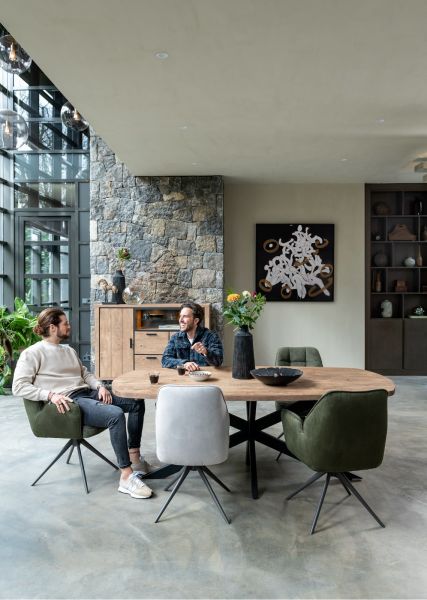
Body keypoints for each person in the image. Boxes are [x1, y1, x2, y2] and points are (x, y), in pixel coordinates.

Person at [12, 307, 152, 499]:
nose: (69, 326)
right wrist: (50, 395)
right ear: (53, 328)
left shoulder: (68, 350)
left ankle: (134, 457)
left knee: (136, 402)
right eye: (65, 323)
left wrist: (100, 387)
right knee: (115, 415)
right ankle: (126, 477)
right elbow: (18, 387)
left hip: (88, 393)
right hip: (71, 403)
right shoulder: (33, 353)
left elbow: (85, 374)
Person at [162, 302, 223, 371]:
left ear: (196, 321)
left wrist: (206, 352)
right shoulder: (175, 338)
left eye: (185, 316)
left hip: (204, 376)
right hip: (183, 376)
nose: (180, 320)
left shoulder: (211, 336)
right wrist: (184, 364)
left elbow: (218, 361)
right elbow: (165, 360)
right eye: (180, 316)